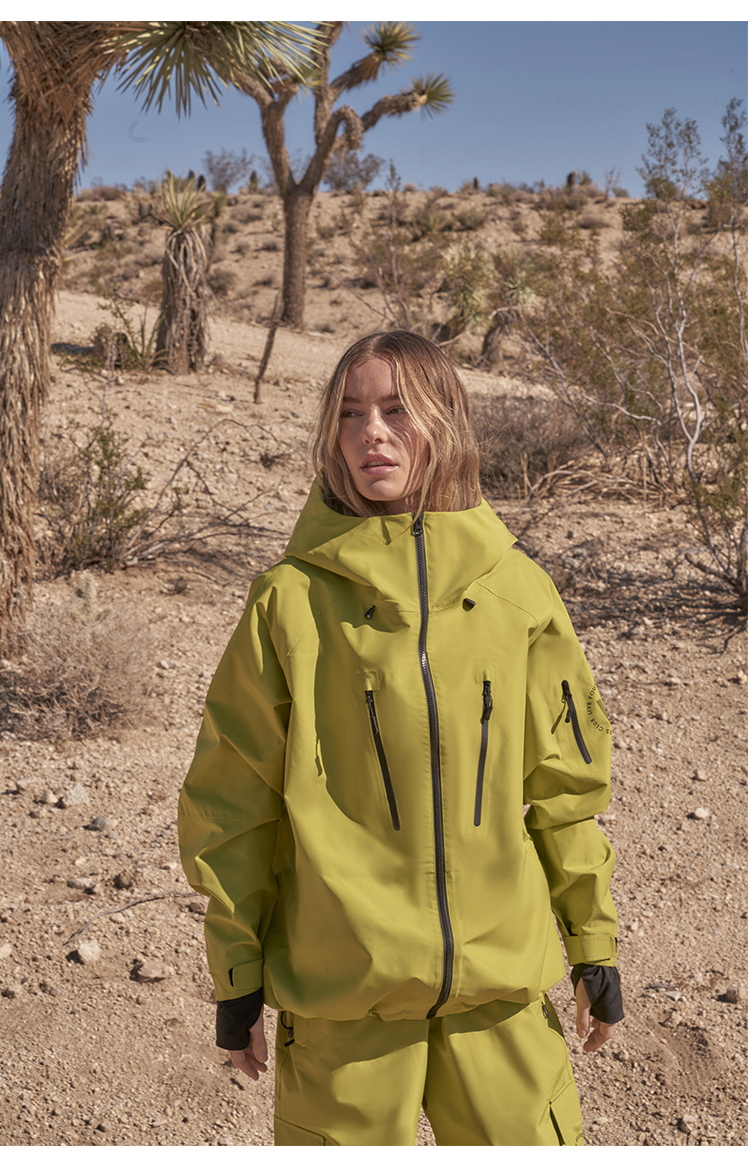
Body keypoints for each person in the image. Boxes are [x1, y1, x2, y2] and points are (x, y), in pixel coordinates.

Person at [178, 331, 623, 1146]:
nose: (370, 433)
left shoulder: (519, 592)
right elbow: (234, 801)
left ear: (444, 423)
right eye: (350, 413)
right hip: (345, 1005)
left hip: (501, 1000)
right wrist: (236, 974)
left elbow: (565, 792)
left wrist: (592, 943)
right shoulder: (288, 602)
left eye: (395, 410)